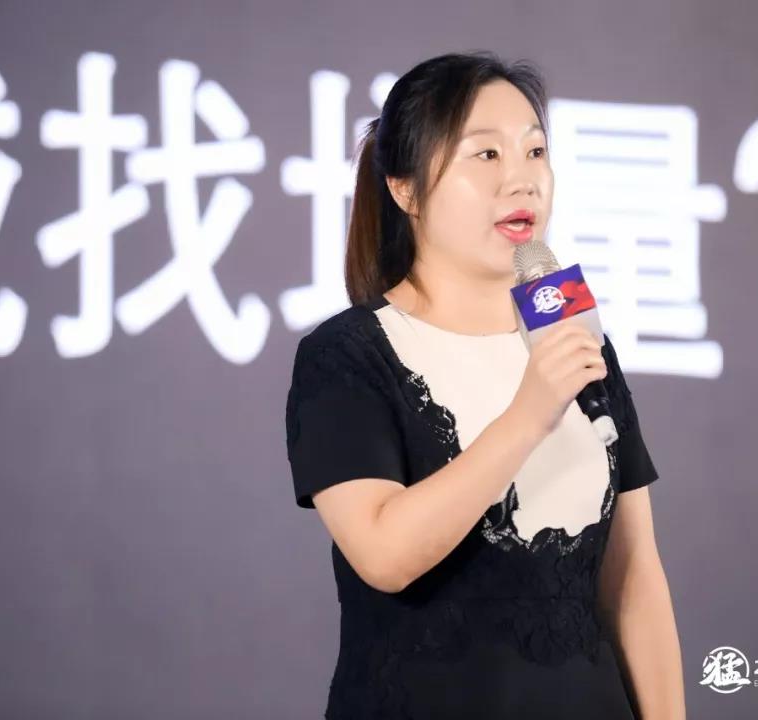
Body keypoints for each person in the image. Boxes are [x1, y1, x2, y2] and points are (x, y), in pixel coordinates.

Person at [284, 51, 684, 719]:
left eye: (535, 152)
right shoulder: (347, 355)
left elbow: (634, 575)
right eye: (487, 154)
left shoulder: (575, 337)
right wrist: (528, 414)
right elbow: (384, 554)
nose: (522, 180)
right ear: (406, 189)